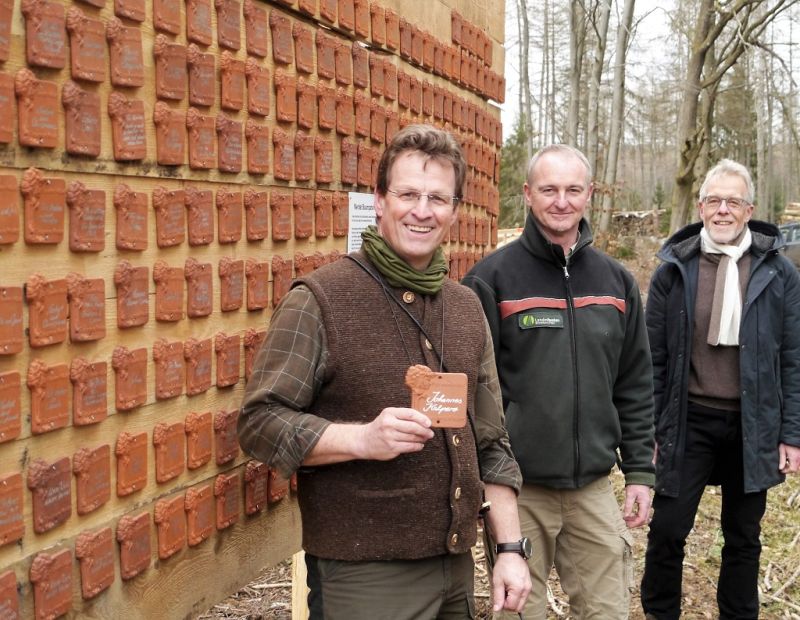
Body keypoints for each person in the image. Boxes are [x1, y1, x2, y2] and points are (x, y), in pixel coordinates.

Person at [238, 124, 531, 619]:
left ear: (456, 210)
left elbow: (490, 442)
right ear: (378, 200)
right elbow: (259, 423)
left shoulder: (465, 308)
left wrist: (508, 550)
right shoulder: (319, 299)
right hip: (363, 574)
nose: (422, 210)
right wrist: (362, 440)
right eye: (408, 194)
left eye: (438, 198)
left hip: (455, 570)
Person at [462, 144, 655, 619]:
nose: (561, 201)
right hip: (518, 491)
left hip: (592, 488)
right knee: (518, 614)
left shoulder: (616, 281)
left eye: (573, 189)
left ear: (588, 194)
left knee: (608, 611)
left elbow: (634, 383)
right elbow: (474, 394)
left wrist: (640, 474)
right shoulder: (491, 280)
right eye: (549, 189)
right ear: (527, 194)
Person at [640, 159, 800, 620]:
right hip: (687, 418)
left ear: (749, 209)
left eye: (733, 201)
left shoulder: (778, 273)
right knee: (668, 529)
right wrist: (650, 429)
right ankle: (660, 611)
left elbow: (792, 357)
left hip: (754, 423)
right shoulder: (675, 269)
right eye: (715, 200)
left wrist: (791, 434)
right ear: (701, 206)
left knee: (743, 536)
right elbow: (654, 358)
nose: (723, 210)